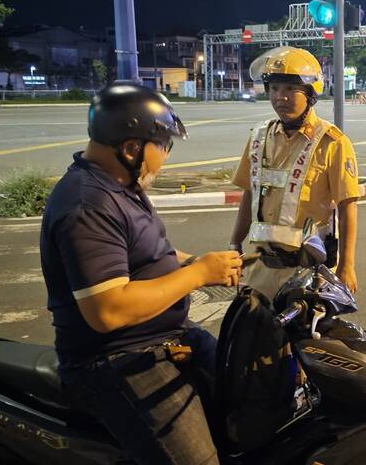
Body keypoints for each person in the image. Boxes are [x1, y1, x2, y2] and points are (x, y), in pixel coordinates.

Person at [41, 83, 243, 465]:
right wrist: (199, 273)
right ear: (132, 148)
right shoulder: (88, 205)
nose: (166, 156)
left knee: (254, 400)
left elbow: (147, 253)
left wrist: (193, 262)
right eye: (163, 145)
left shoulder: (119, 184)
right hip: (118, 360)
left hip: (167, 338)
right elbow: (108, 311)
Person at [230, 46, 360, 300]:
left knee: (306, 339)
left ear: (310, 94)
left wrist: (347, 265)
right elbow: (249, 193)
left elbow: (348, 206)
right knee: (248, 335)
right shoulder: (259, 137)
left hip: (308, 272)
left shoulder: (332, 142)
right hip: (260, 268)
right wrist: (234, 243)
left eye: (291, 89)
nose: (281, 97)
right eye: (275, 88)